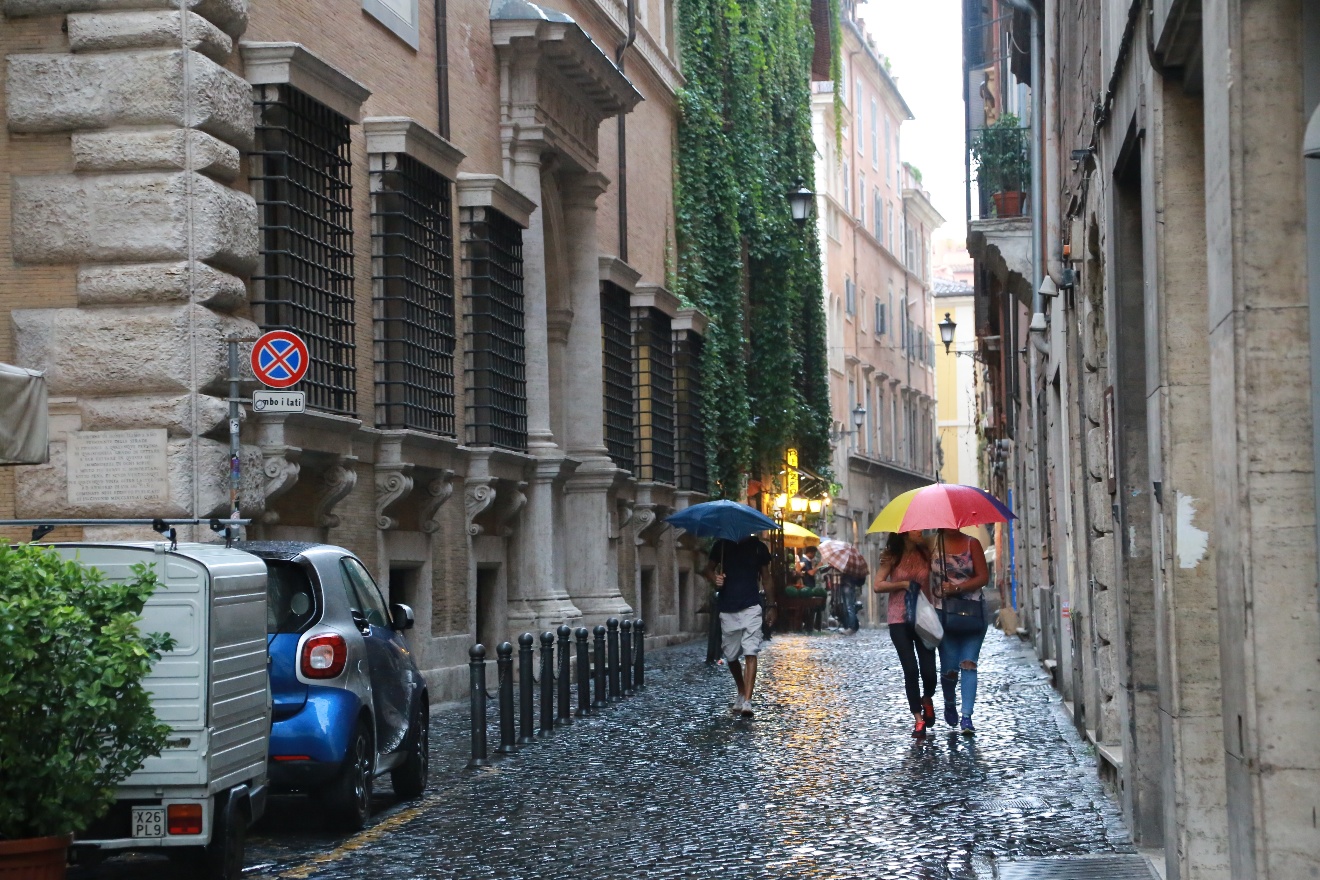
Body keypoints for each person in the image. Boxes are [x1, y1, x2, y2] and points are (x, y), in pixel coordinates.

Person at [872, 531, 937, 737]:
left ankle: (927, 698)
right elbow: (877, 585)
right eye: (917, 530)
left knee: (929, 671)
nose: (921, 532)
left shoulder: (927, 550)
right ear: (906, 532)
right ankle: (918, 719)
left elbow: (938, 539)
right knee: (910, 669)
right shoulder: (892, 556)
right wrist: (902, 584)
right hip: (898, 619)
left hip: (924, 618)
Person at [703, 534, 773, 717]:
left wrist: (772, 606)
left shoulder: (759, 548)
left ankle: (748, 702)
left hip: (751, 606)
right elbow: (708, 569)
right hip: (728, 607)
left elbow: (766, 577)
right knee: (731, 656)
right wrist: (715, 578)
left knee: (751, 651)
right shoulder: (722, 545)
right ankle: (741, 691)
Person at [932, 528, 990, 735]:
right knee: (948, 668)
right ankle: (949, 703)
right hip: (943, 614)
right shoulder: (932, 544)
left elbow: (984, 577)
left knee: (969, 663)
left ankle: (967, 717)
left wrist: (958, 588)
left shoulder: (971, 543)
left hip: (973, 613)